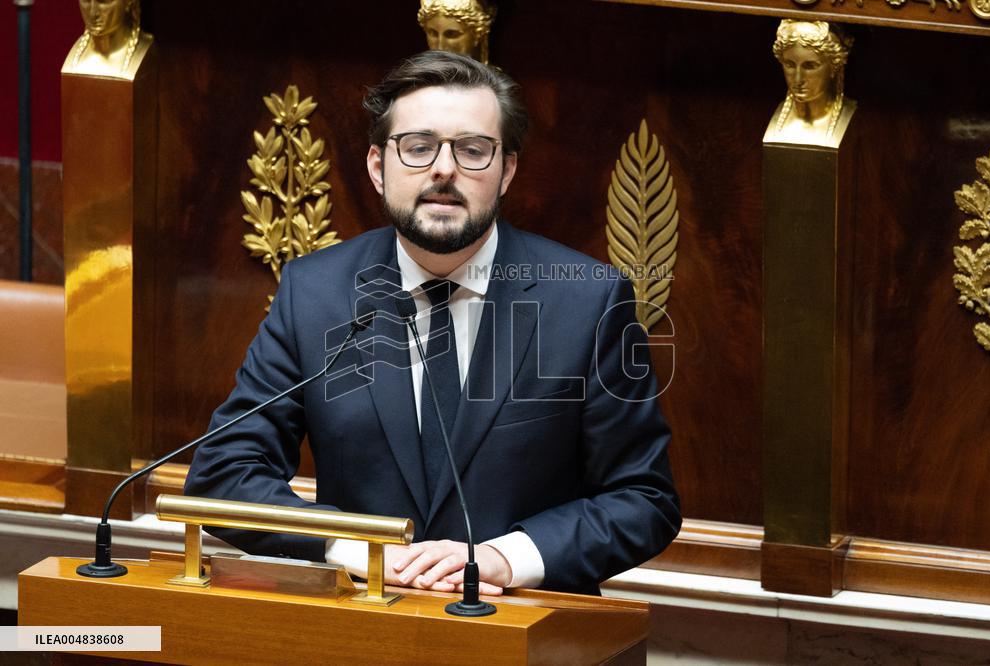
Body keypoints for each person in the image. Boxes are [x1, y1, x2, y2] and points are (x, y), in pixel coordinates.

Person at [184, 51, 681, 596]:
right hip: (359, 625)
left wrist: (504, 557)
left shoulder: (588, 301)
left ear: (507, 170)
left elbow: (643, 499)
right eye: (418, 148)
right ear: (378, 167)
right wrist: (354, 546)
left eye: (472, 151)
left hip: (522, 626)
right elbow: (225, 474)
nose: (444, 169)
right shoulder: (315, 293)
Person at [771, 20, 853, 143]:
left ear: (834, 66)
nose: (798, 79)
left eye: (809, 66)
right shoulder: (771, 120)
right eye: (790, 65)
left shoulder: (854, 118)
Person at [65, 0, 153, 78]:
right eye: (86, 1)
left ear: (128, 1)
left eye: (103, 2)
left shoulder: (147, 50)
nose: (93, 13)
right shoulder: (75, 59)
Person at [417, 0, 496, 64]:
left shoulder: (496, 82)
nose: (440, 47)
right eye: (433, 33)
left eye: (452, 34)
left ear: (477, 34)